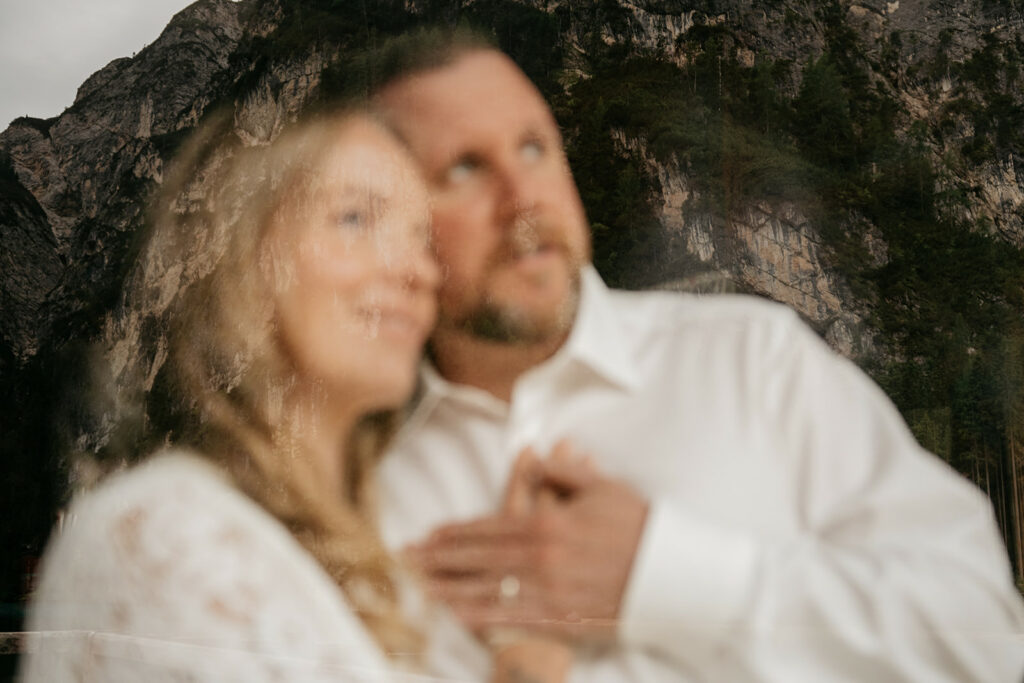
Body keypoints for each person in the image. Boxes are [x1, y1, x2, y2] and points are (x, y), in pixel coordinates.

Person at [368, 30, 1024, 681]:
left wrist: (660, 576)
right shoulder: (347, 483)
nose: (524, 196)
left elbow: (988, 642)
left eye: (535, 147)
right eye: (463, 167)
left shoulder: (755, 362)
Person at [19, 107, 571, 682]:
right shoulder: (166, 540)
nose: (418, 272)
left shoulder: (389, 558)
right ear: (253, 263)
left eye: (419, 238)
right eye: (355, 218)